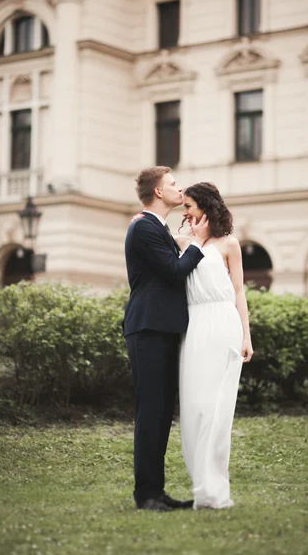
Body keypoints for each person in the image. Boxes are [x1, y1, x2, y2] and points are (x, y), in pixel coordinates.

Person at [123, 166, 209, 512]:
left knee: (160, 414)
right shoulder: (144, 227)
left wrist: (186, 242)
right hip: (148, 328)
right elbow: (174, 272)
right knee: (151, 411)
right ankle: (146, 495)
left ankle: (156, 492)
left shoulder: (153, 228)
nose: (179, 188)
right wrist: (198, 243)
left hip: (162, 328)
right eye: (173, 184)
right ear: (158, 192)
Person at [175, 181, 254, 510]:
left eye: (189, 206)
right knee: (195, 407)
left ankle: (215, 487)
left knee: (218, 409)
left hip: (224, 326)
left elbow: (238, 291)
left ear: (205, 207)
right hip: (194, 329)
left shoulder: (229, 244)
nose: (185, 212)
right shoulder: (182, 241)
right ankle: (200, 483)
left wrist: (246, 335)